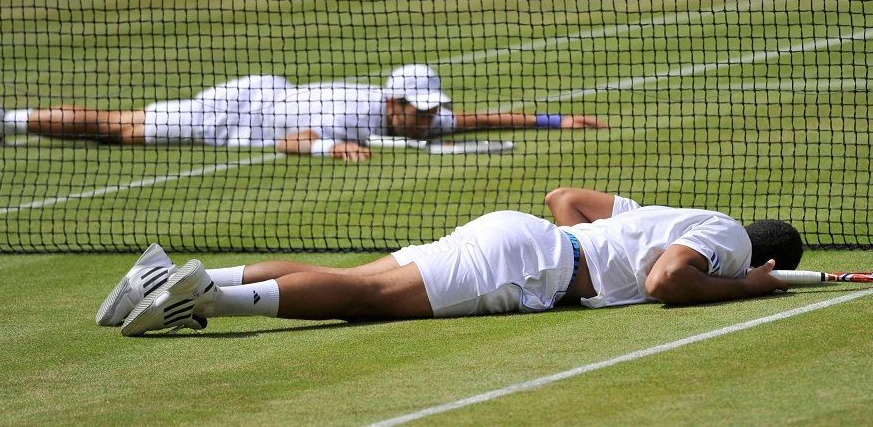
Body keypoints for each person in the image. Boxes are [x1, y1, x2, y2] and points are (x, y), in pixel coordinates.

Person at [98, 187, 804, 336]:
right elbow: (667, 282)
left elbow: (567, 197)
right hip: (526, 266)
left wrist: (590, 256)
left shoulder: (672, 215)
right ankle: (206, 302)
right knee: (360, 297)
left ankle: (172, 276)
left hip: (518, 235)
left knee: (354, 278)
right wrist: (749, 283)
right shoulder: (731, 244)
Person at [0, 64, 604, 160]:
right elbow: (291, 141)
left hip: (269, 98)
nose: (430, 118)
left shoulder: (407, 116)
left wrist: (555, 121)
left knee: (121, 133)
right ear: (394, 103)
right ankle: (1, 121)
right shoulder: (349, 110)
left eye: (429, 111)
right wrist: (328, 148)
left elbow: (475, 121)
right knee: (123, 128)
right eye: (421, 110)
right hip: (239, 111)